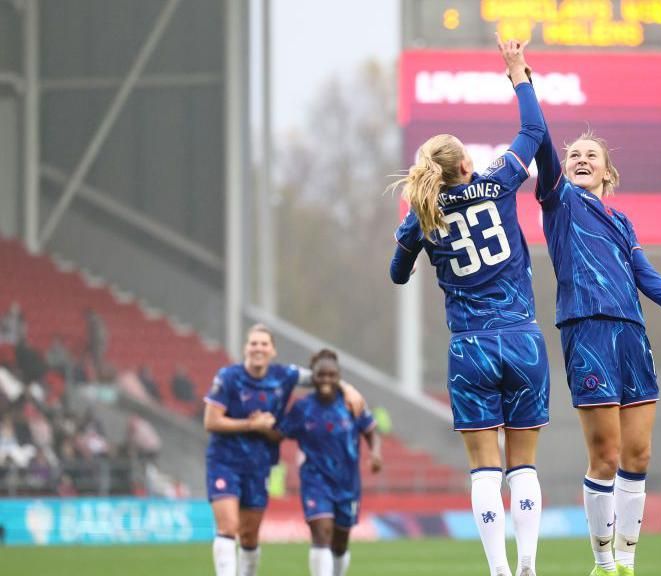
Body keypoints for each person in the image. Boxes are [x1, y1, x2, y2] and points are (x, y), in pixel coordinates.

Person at [532, 68, 661, 576]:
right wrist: (523, 81)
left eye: (592, 156)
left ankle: (626, 562)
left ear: (607, 173)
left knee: (639, 454)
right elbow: (540, 142)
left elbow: (642, 272)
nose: (581, 160)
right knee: (604, 455)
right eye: (574, 155)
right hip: (587, 331)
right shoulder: (559, 202)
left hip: (632, 334)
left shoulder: (622, 220)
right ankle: (602, 562)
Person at [388, 36, 549, 576]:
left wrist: (407, 236)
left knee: (483, 466)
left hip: (471, 347)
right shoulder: (498, 181)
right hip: (521, 337)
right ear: (463, 162)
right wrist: (517, 73)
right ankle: (528, 560)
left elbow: (397, 274)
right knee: (522, 463)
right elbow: (533, 132)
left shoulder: (422, 218)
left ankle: (498, 569)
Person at [203, 323, 365, 576]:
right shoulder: (228, 378)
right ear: (246, 348)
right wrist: (250, 424)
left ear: (273, 351)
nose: (258, 348)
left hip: (259, 464)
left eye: (264, 344)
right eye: (254, 343)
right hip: (225, 462)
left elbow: (321, 375)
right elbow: (211, 421)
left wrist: (347, 388)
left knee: (249, 535)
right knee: (228, 526)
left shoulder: (284, 375)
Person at [274, 349, 382, 576]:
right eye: (321, 375)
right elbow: (279, 433)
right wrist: (259, 424)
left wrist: (375, 453)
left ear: (338, 376)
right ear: (313, 377)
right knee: (322, 533)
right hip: (315, 481)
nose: (326, 379)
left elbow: (371, 430)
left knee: (340, 543)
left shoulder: (351, 402)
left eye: (331, 375)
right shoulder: (302, 408)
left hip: (347, 484)